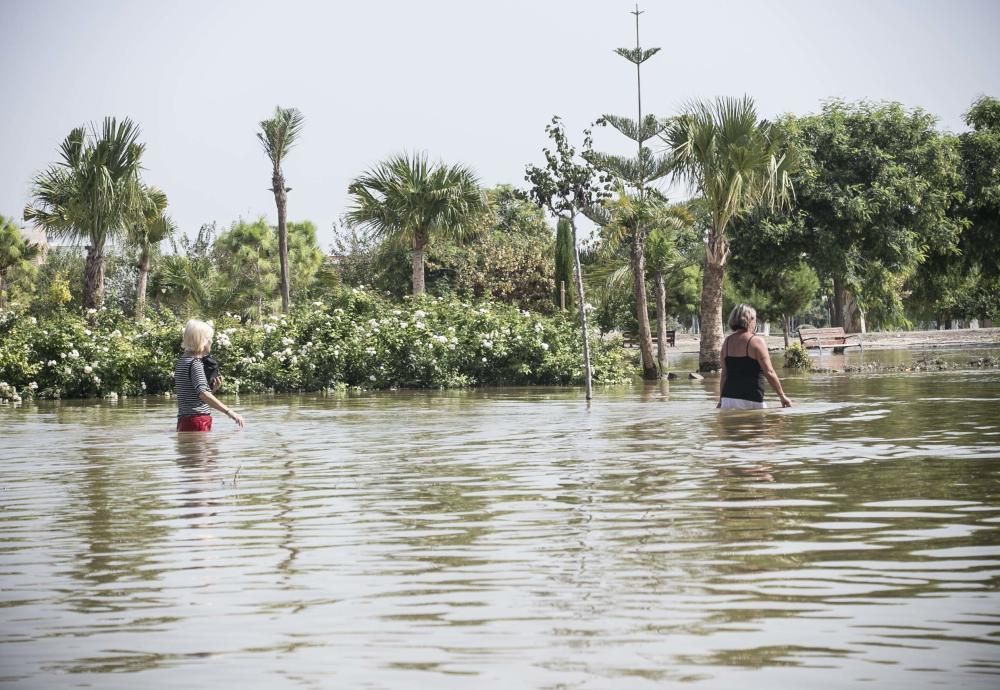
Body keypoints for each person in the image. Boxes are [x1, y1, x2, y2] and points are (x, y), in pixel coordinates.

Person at [717, 304, 792, 410]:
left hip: (728, 399)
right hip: (751, 399)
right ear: (750, 319)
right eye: (755, 319)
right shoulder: (756, 341)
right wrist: (782, 396)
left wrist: (721, 400)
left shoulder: (727, 342)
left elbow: (724, 374)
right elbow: (769, 372)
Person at [175, 319, 245, 431]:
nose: (211, 341)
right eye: (209, 338)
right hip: (198, 420)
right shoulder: (195, 364)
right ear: (201, 341)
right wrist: (230, 412)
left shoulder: (182, 362)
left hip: (184, 420)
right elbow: (203, 394)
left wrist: (212, 390)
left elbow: (191, 396)